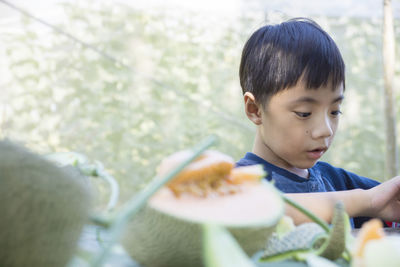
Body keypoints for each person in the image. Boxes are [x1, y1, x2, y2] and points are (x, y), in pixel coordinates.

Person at [236, 17, 400, 227]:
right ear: (255, 109)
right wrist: (365, 201)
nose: (325, 130)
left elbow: (387, 200)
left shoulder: (336, 181)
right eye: (304, 113)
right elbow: (261, 210)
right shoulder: (238, 183)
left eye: (335, 111)